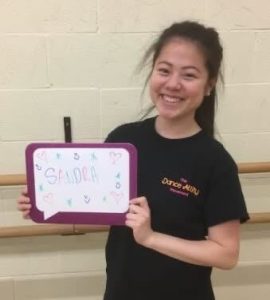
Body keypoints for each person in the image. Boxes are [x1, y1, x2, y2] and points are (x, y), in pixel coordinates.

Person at [18, 21, 249, 300]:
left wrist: (151, 238)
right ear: (153, 72)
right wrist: (48, 202)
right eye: (164, 70)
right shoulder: (123, 140)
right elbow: (106, 213)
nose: (173, 84)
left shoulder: (215, 161)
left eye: (189, 75)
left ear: (209, 85)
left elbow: (226, 254)